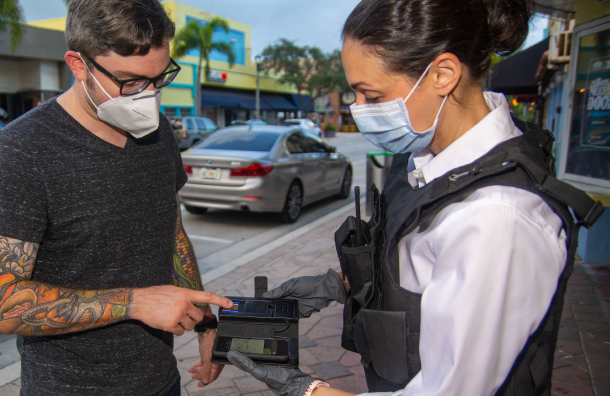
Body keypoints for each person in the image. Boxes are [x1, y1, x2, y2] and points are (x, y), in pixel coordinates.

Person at [224, 0, 604, 395]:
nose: (360, 110)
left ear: (442, 74)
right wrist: (338, 285)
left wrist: (307, 390)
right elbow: (415, 268)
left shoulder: (497, 217)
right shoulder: (421, 159)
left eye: (371, 96)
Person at [0, 1, 233, 395]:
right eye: (129, 81)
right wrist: (134, 303)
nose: (148, 95)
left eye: (160, 79)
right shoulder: (19, 153)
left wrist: (204, 321)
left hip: (160, 382)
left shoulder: (158, 136)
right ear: (78, 65)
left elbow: (172, 233)